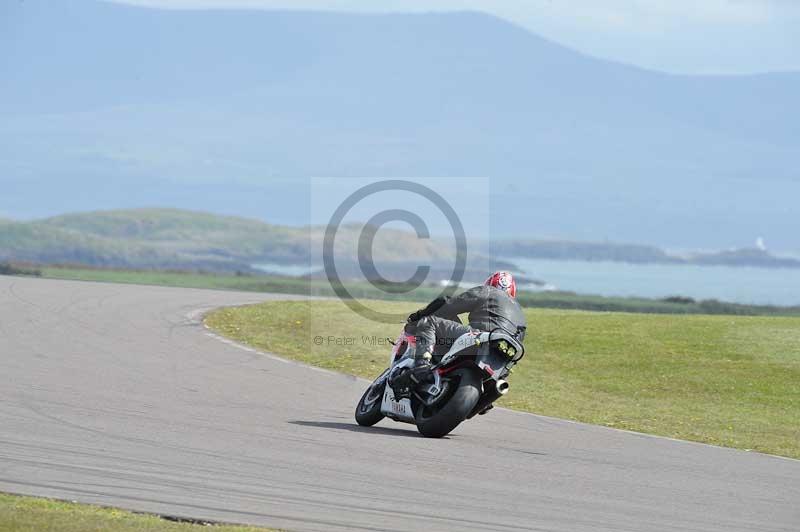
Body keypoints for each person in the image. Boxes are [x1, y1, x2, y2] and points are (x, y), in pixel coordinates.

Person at [401, 271, 527, 385]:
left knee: (429, 322)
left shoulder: (488, 291)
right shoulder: (520, 312)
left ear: (490, 283)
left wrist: (417, 316)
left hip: (480, 338)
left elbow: (450, 304)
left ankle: (421, 365)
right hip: (504, 357)